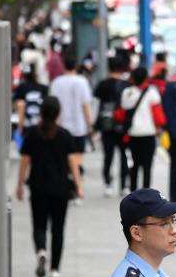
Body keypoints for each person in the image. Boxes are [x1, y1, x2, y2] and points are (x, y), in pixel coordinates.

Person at [15, 96, 83, 277]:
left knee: (39, 224)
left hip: (38, 187)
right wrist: (78, 185)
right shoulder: (64, 134)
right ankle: (54, 269)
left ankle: (41, 250)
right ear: (58, 113)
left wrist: (20, 185)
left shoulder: (32, 134)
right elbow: (72, 162)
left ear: (41, 112)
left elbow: (24, 161)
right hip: (60, 189)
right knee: (58, 228)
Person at [49, 53, 93, 180]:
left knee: (63, 157)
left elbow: (54, 104)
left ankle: (67, 181)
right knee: (78, 157)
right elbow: (85, 105)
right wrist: (89, 124)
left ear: (63, 66)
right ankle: (76, 183)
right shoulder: (82, 81)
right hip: (79, 127)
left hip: (61, 126)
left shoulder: (56, 83)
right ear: (76, 66)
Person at [94, 58, 132, 198]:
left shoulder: (102, 84)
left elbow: (96, 103)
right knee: (124, 155)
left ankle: (108, 184)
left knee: (108, 156)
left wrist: (94, 125)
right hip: (122, 125)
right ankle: (124, 186)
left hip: (106, 124)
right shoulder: (126, 85)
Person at [120, 66, 162, 191]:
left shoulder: (127, 93)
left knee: (134, 165)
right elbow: (158, 115)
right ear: (145, 78)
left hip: (133, 134)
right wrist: (159, 129)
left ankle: (133, 192)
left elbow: (123, 109)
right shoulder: (152, 92)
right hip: (148, 134)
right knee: (147, 166)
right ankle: (147, 193)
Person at [162, 69, 176, 203]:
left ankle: (175, 193)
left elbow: (166, 109)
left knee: (175, 165)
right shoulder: (175, 86)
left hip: (175, 131)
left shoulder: (170, 86)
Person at [13, 65, 48, 136]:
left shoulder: (21, 88)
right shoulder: (43, 88)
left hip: (26, 125)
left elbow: (19, 105)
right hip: (41, 125)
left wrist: (20, 128)